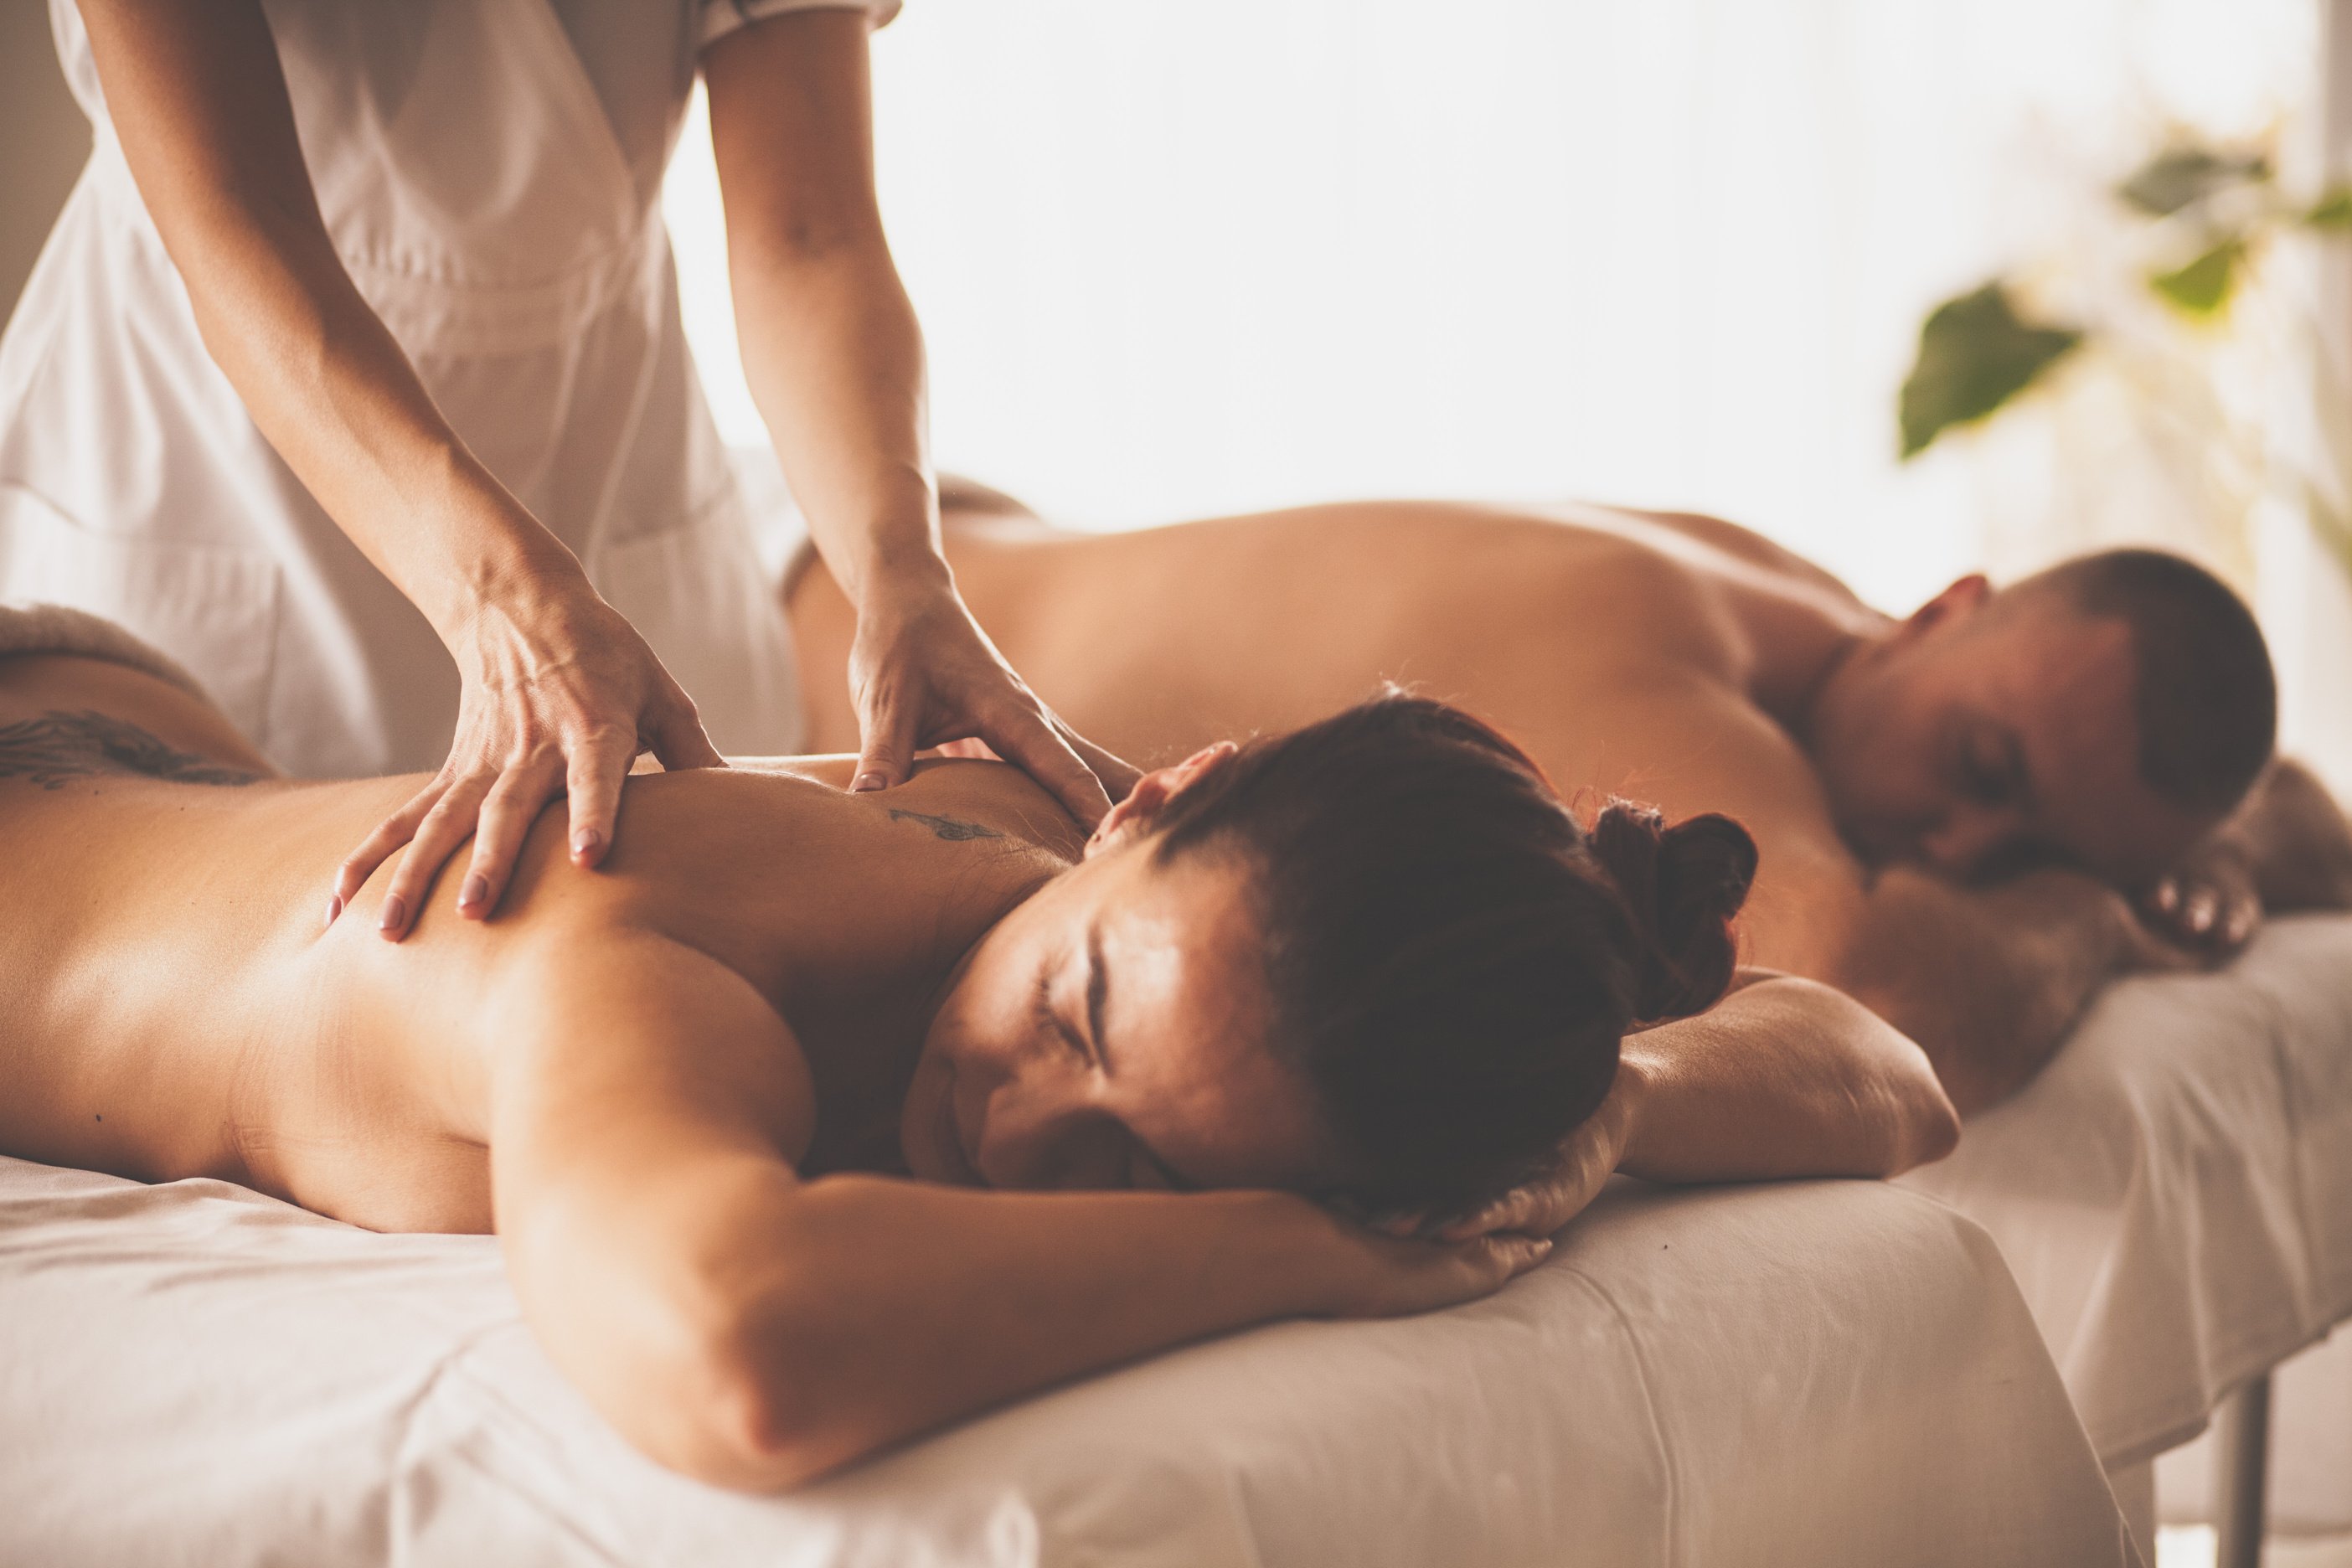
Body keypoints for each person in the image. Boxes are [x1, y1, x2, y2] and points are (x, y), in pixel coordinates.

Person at [0, 607, 1957, 1489]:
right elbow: (736, 1356)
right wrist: (1325, 1249)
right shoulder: (633, 935)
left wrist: (1569, 1137)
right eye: (1076, 1014)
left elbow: (1880, 1076)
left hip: (147, 757)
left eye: (1141, 1168)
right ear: (1153, 796)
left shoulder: (1179, 917)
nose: (1017, 1135)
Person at [0, 0, 1128, 950]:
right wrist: (503, 601)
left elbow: (812, 236)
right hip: (222, 445)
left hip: (607, 458)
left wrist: (902, 572)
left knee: (620, 944)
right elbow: (233, 221)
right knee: (275, 972)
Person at [784, 484, 2352, 1112]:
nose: (1958, 852)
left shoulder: (1815, 631)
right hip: (789, 628)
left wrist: (2240, 838)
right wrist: (2086, 906)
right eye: (1982, 774)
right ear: (1945, 608)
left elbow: (2318, 823)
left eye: (2040, 852)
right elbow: (1884, 998)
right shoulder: (1668, 662)